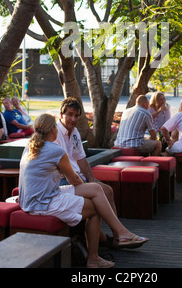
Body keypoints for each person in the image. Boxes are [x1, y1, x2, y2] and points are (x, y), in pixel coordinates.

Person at [18, 113, 148, 268]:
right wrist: (81, 183)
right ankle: (94, 257)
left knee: (95, 188)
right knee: (94, 208)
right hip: (42, 203)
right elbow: (74, 179)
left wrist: (84, 185)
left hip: (34, 199)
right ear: (53, 129)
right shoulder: (55, 150)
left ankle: (121, 233)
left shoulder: (30, 147)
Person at [55, 97, 121, 249]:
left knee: (108, 190)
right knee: (95, 199)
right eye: (70, 114)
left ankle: (117, 237)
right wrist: (85, 184)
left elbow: (82, 159)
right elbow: (64, 170)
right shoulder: (55, 133)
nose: (73, 119)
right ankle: (104, 239)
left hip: (78, 178)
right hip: (63, 181)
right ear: (61, 114)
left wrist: (91, 180)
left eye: (76, 116)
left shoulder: (75, 131)